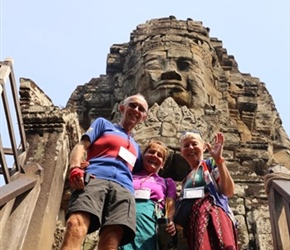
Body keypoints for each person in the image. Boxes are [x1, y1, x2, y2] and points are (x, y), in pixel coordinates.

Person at [60, 94, 148, 250]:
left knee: (112, 238)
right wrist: (75, 168)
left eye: (141, 109)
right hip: (95, 178)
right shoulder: (104, 124)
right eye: (132, 105)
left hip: (124, 189)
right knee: (76, 223)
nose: (136, 110)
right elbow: (81, 146)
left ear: (144, 117)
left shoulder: (137, 148)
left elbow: (143, 174)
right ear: (122, 108)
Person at [174, 131, 238, 250]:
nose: (190, 148)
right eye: (186, 146)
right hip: (194, 224)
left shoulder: (210, 164)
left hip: (213, 215)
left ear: (203, 147)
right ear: (181, 152)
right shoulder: (185, 180)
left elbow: (228, 191)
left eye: (194, 144)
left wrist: (219, 160)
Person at [120, 140, 177, 250]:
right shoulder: (129, 176)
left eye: (159, 155)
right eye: (151, 152)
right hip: (124, 216)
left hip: (150, 221)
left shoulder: (167, 182)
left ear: (163, 164)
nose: (155, 156)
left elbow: (170, 204)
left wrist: (170, 221)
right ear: (143, 156)